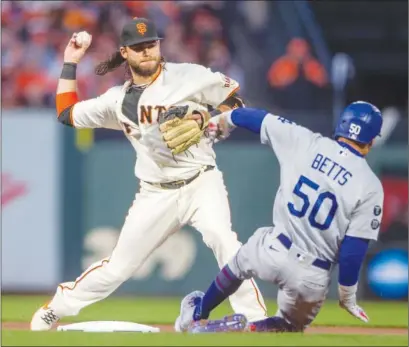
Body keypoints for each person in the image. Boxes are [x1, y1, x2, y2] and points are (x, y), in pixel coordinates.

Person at [30, 17, 267, 331]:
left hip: (201, 180)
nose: (146, 52)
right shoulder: (117, 100)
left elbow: (236, 101)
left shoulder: (190, 76)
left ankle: (258, 319)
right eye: (138, 47)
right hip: (155, 193)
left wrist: (208, 117)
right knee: (117, 268)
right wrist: (71, 61)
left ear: (159, 45)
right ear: (125, 52)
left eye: (151, 44)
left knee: (223, 239)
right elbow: (66, 113)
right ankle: (54, 308)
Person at [176, 101, 384, 333]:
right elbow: (352, 251)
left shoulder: (305, 141)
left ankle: (198, 314)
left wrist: (222, 121)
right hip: (312, 275)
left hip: (274, 249)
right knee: (288, 325)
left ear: (341, 125)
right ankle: (247, 330)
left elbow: (256, 118)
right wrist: (348, 297)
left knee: (236, 266)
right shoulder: (370, 186)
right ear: (372, 140)